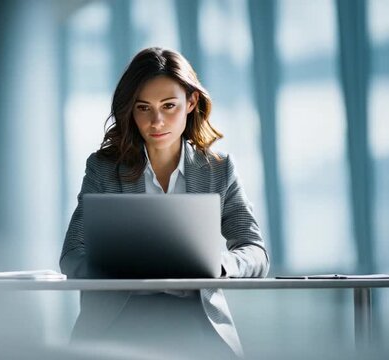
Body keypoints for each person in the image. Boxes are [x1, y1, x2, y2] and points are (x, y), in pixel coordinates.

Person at [59, 47, 269, 358]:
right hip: (120, 319)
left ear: (191, 102)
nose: (156, 121)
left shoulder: (217, 169)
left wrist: (220, 265)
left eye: (169, 106)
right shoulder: (103, 168)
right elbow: (72, 255)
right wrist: (116, 268)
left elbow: (255, 252)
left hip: (196, 319)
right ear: (131, 110)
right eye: (144, 108)